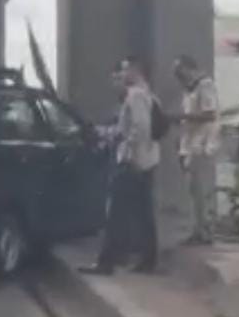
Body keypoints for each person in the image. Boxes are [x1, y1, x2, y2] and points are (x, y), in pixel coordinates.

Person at [80, 57, 160, 275]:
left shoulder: (135, 95)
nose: (123, 74)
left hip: (131, 162)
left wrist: (129, 154)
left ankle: (107, 263)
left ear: (135, 70)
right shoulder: (148, 93)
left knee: (116, 213)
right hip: (145, 161)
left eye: (125, 70)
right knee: (142, 214)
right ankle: (147, 260)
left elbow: (139, 129)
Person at [172, 55, 220, 245]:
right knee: (192, 190)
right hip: (189, 145)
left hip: (201, 144)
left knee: (200, 189)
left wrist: (182, 116)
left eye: (180, 72)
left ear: (190, 68)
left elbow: (209, 114)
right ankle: (197, 229)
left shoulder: (205, 85)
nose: (177, 77)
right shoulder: (188, 90)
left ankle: (205, 231)